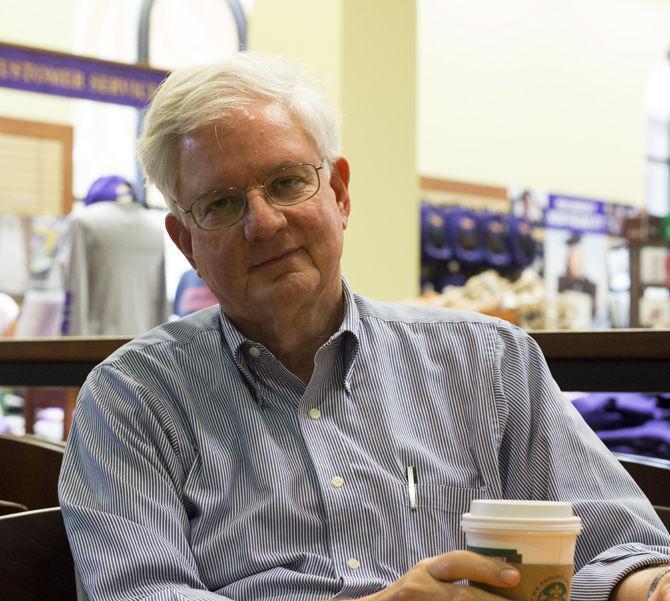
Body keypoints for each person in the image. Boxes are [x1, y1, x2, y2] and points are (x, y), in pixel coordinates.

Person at [58, 52, 670, 601]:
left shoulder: (489, 364)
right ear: (187, 242)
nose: (265, 223)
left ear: (340, 194)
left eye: (287, 182)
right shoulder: (132, 401)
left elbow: (618, 548)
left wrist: (646, 590)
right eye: (221, 203)